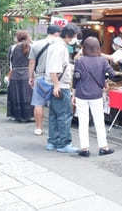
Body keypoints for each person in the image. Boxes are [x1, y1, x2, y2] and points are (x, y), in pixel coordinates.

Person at [73, 37, 115, 157]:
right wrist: (104, 80)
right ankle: (103, 147)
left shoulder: (80, 61)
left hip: (81, 94)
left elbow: (76, 78)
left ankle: (84, 148)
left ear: (84, 48)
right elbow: (112, 74)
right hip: (96, 95)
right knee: (99, 121)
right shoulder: (102, 60)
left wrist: (74, 93)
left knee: (83, 121)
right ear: (98, 48)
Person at [45, 23, 80, 153]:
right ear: (70, 36)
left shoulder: (55, 45)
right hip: (60, 86)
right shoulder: (60, 47)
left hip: (55, 84)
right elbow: (54, 68)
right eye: (75, 36)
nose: (75, 38)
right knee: (65, 115)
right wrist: (56, 85)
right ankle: (63, 143)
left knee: (54, 115)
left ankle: (52, 142)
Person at [28, 24, 62, 136]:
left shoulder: (36, 44)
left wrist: (31, 77)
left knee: (38, 103)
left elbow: (32, 62)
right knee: (55, 103)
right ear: (57, 33)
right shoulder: (60, 45)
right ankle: (55, 128)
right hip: (56, 78)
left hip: (40, 77)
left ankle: (38, 128)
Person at [6, 31, 33, 122]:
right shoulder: (30, 47)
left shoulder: (13, 48)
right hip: (27, 73)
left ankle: (17, 116)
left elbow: (9, 62)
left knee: (16, 95)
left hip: (15, 73)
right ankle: (28, 115)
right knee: (27, 95)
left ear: (17, 38)